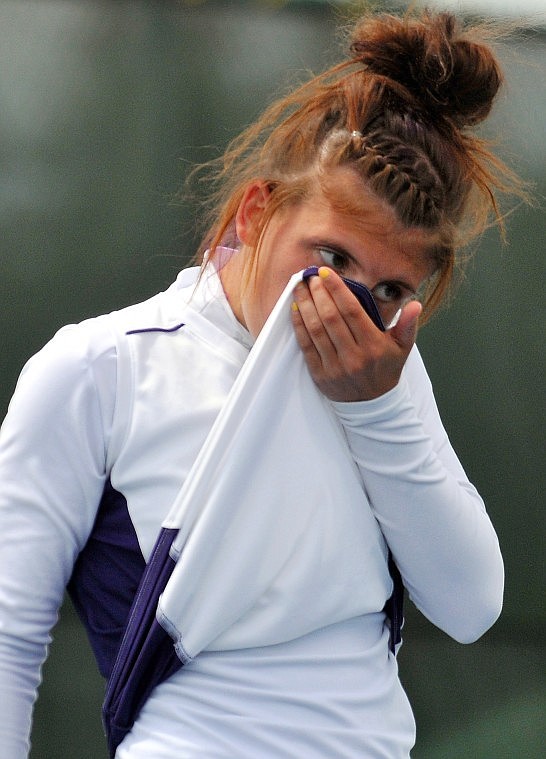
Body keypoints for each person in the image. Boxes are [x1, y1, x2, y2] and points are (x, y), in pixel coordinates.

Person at [0, 7, 527, 758]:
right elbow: (9, 635)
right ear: (255, 212)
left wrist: (377, 410)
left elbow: (472, 604)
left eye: (386, 288)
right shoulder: (100, 367)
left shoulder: (383, 374)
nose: (349, 300)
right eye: (332, 258)